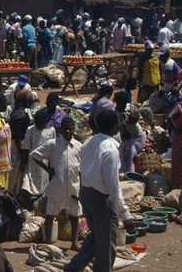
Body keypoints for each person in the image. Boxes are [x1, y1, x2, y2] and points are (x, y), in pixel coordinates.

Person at [63, 110, 134, 272]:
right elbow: (113, 185)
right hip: (101, 199)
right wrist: (126, 215)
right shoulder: (110, 149)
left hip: (86, 194)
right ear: (114, 126)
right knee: (106, 243)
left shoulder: (89, 142)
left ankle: (73, 267)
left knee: (96, 236)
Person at [31, 116, 82, 250]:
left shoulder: (79, 146)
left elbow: (82, 167)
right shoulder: (53, 144)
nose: (68, 132)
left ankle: (74, 242)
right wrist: (49, 170)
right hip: (57, 185)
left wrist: (82, 186)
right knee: (50, 214)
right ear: (60, 129)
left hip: (73, 185)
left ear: (74, 130)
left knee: (74, 214)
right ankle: (48, 242)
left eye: (70, 129)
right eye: (65, 129)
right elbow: (35, 155)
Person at [20, 109, 55, 206]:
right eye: (36, 122)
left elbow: (53, 147)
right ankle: (28, 205)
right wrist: (23, 162)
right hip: (31, 162)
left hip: (44, 163)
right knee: (27, 184)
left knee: (43, 186)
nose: (38, 124)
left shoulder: (51, 131)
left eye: (40, 122)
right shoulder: (30, 130)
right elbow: (25, 147)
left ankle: (39, 205)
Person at [7, 90, 33, 198]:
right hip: (17, 148)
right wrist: (22, 155)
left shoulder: (15, 112)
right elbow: (18, 137)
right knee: (15, 176)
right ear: (26, 102)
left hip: (12, 146)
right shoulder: (22, 116)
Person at [118, 107, 147, 173]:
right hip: (131, 139)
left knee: (129, 153)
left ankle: (129, 172)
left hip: (137, 139)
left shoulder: (135, 127)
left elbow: (129, 134)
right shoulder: (127, 122)